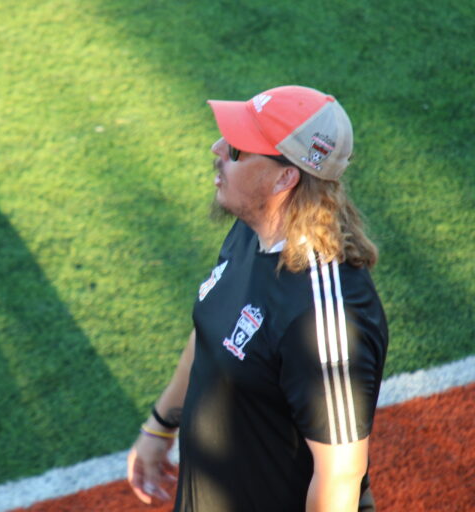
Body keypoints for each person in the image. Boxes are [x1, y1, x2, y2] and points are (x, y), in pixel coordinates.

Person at [126, 85, 389, 512]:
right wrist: (160, 424)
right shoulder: (251, 233)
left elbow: (340, 475)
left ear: (284, 178)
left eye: (236, 149)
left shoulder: (324, 316)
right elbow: (213, 333)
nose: (217, 149)